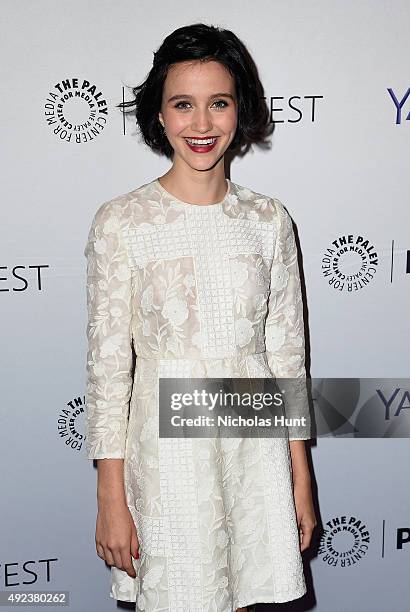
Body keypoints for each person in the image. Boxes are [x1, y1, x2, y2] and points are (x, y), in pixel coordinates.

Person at [84, 22, 317, 612]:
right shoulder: (123, 221)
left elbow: (285, 356)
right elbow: (110, 370)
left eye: (219, 103)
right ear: (159, 116)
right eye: (182, 105)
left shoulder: (269, 220)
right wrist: (110, 496)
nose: (202, 124)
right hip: (165, 456)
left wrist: (300, 476)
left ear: (241, 111)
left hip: (254, 450)